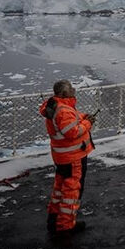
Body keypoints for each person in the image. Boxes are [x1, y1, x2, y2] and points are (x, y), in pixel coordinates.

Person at [39, 79, 96, 236]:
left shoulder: (57, 106)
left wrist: (84, 116)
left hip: (62, 156)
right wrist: (88, 123)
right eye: (70, 88)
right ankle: (65, 226)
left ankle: (54, 220)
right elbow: (72, 132)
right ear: (64, 93)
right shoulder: (63, 110)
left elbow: (72, 118)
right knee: (72, 191)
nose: (73, 89)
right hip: (73, 158)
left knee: (60, 189)